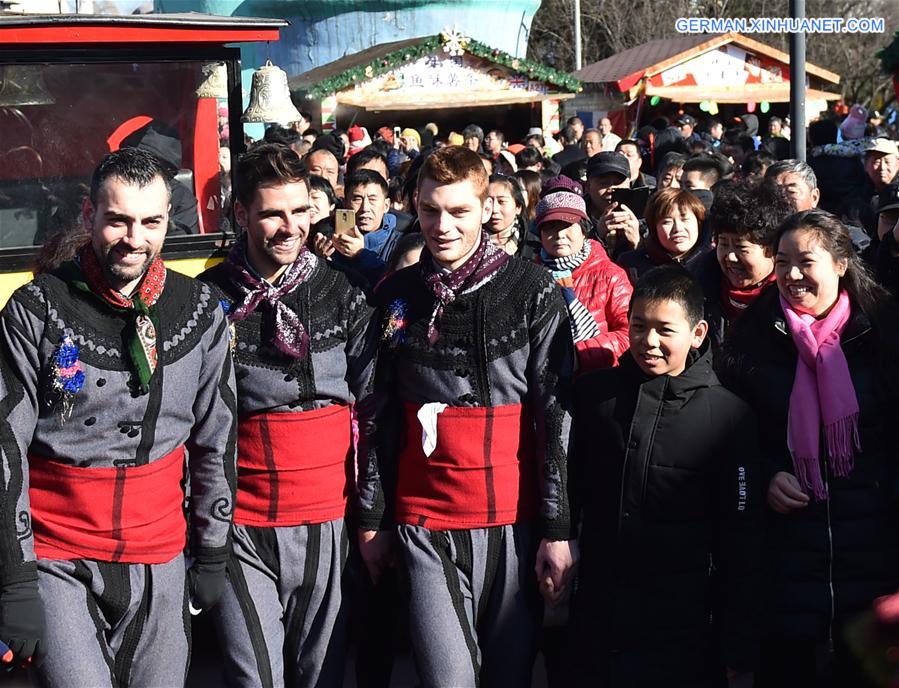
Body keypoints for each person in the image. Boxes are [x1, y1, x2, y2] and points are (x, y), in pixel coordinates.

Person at [0, 147, 236, 685]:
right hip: (58, 555)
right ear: (89, 216)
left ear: (168, 216)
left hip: (161, 553)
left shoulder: (200, 310)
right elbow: (3, 446)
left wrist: (214, 550)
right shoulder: (35, 308)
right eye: (118, 221)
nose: (135, 239)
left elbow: (216, 438)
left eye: (151, 222)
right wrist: (15, 580)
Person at [357, 145, 577, 687]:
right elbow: (375, 416)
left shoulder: (534, 292)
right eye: (430, 210)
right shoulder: (395, 296)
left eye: (458, 211)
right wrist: (371, 519)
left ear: (487, 209)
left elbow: (556, 417)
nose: (442, 226)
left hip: (512, 521)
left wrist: (557, 530)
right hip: (424, 519)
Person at [199, 143, 376, 688]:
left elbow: (373, 410)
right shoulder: (206, 301)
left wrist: (372, 518)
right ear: (241, 214)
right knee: (254, 676)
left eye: (300, 211)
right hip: (240, 521)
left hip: (327, 517)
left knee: (322, 675)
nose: (290, 226)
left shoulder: (341, 292)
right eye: (274, 212)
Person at [721, 210, 899, 688]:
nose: (792, 275)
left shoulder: (882, 332)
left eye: (806, 261)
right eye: (782, 262)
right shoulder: (751, 338)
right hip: (784, 567)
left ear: (841, 264)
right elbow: (725, 440)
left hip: (872, 561)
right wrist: (763, 474)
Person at [572, 266, 762, 687]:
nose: (649, 342)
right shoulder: (594, 398)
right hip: (599, 618)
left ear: (697, 333)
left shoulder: (729, 416)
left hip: (686, 626)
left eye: (664, 330)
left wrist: (738, 636)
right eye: (639, 326)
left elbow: (742, 537)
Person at [692, 178, 795, 352]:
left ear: (771, 249)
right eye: (723, 244)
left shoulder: (792, 295)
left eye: (741, 247)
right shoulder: (697, 283)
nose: (730, 257)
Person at [535, 189, 631, 372]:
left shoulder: (610, 275)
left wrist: (577, 356)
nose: (559, 234)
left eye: (567, 225)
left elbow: (629, 334)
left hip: (597, 382)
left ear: (584, 230)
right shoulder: (531, 277)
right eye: (550, 227)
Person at [618, 187, 708, 284]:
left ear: (698, 223)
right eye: (667, 222)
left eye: (685, 219)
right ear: (654, 227)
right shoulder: (631, 263)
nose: (677, 228)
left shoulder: (711, 262)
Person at [332, 169, 401, 290]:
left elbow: (395, 285)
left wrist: (360, 254)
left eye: (373, 199)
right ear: (345, 203)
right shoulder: (332, 239)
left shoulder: (400, 244)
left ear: (386, 205)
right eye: (357, 199)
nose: (365, 208)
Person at [585, 151, 642, 259]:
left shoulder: (644, 215)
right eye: (604, 183)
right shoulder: (576, 219)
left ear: (629, 184)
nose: (611, 189)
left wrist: (638, 243)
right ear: (587, 186)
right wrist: (597, 236)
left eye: (618, 183)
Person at [485, 173, 530, 257]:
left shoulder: (533, 246)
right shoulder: (469, 244)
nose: (494, 209)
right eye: (488, 201)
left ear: (518, 207)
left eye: (502, 201)